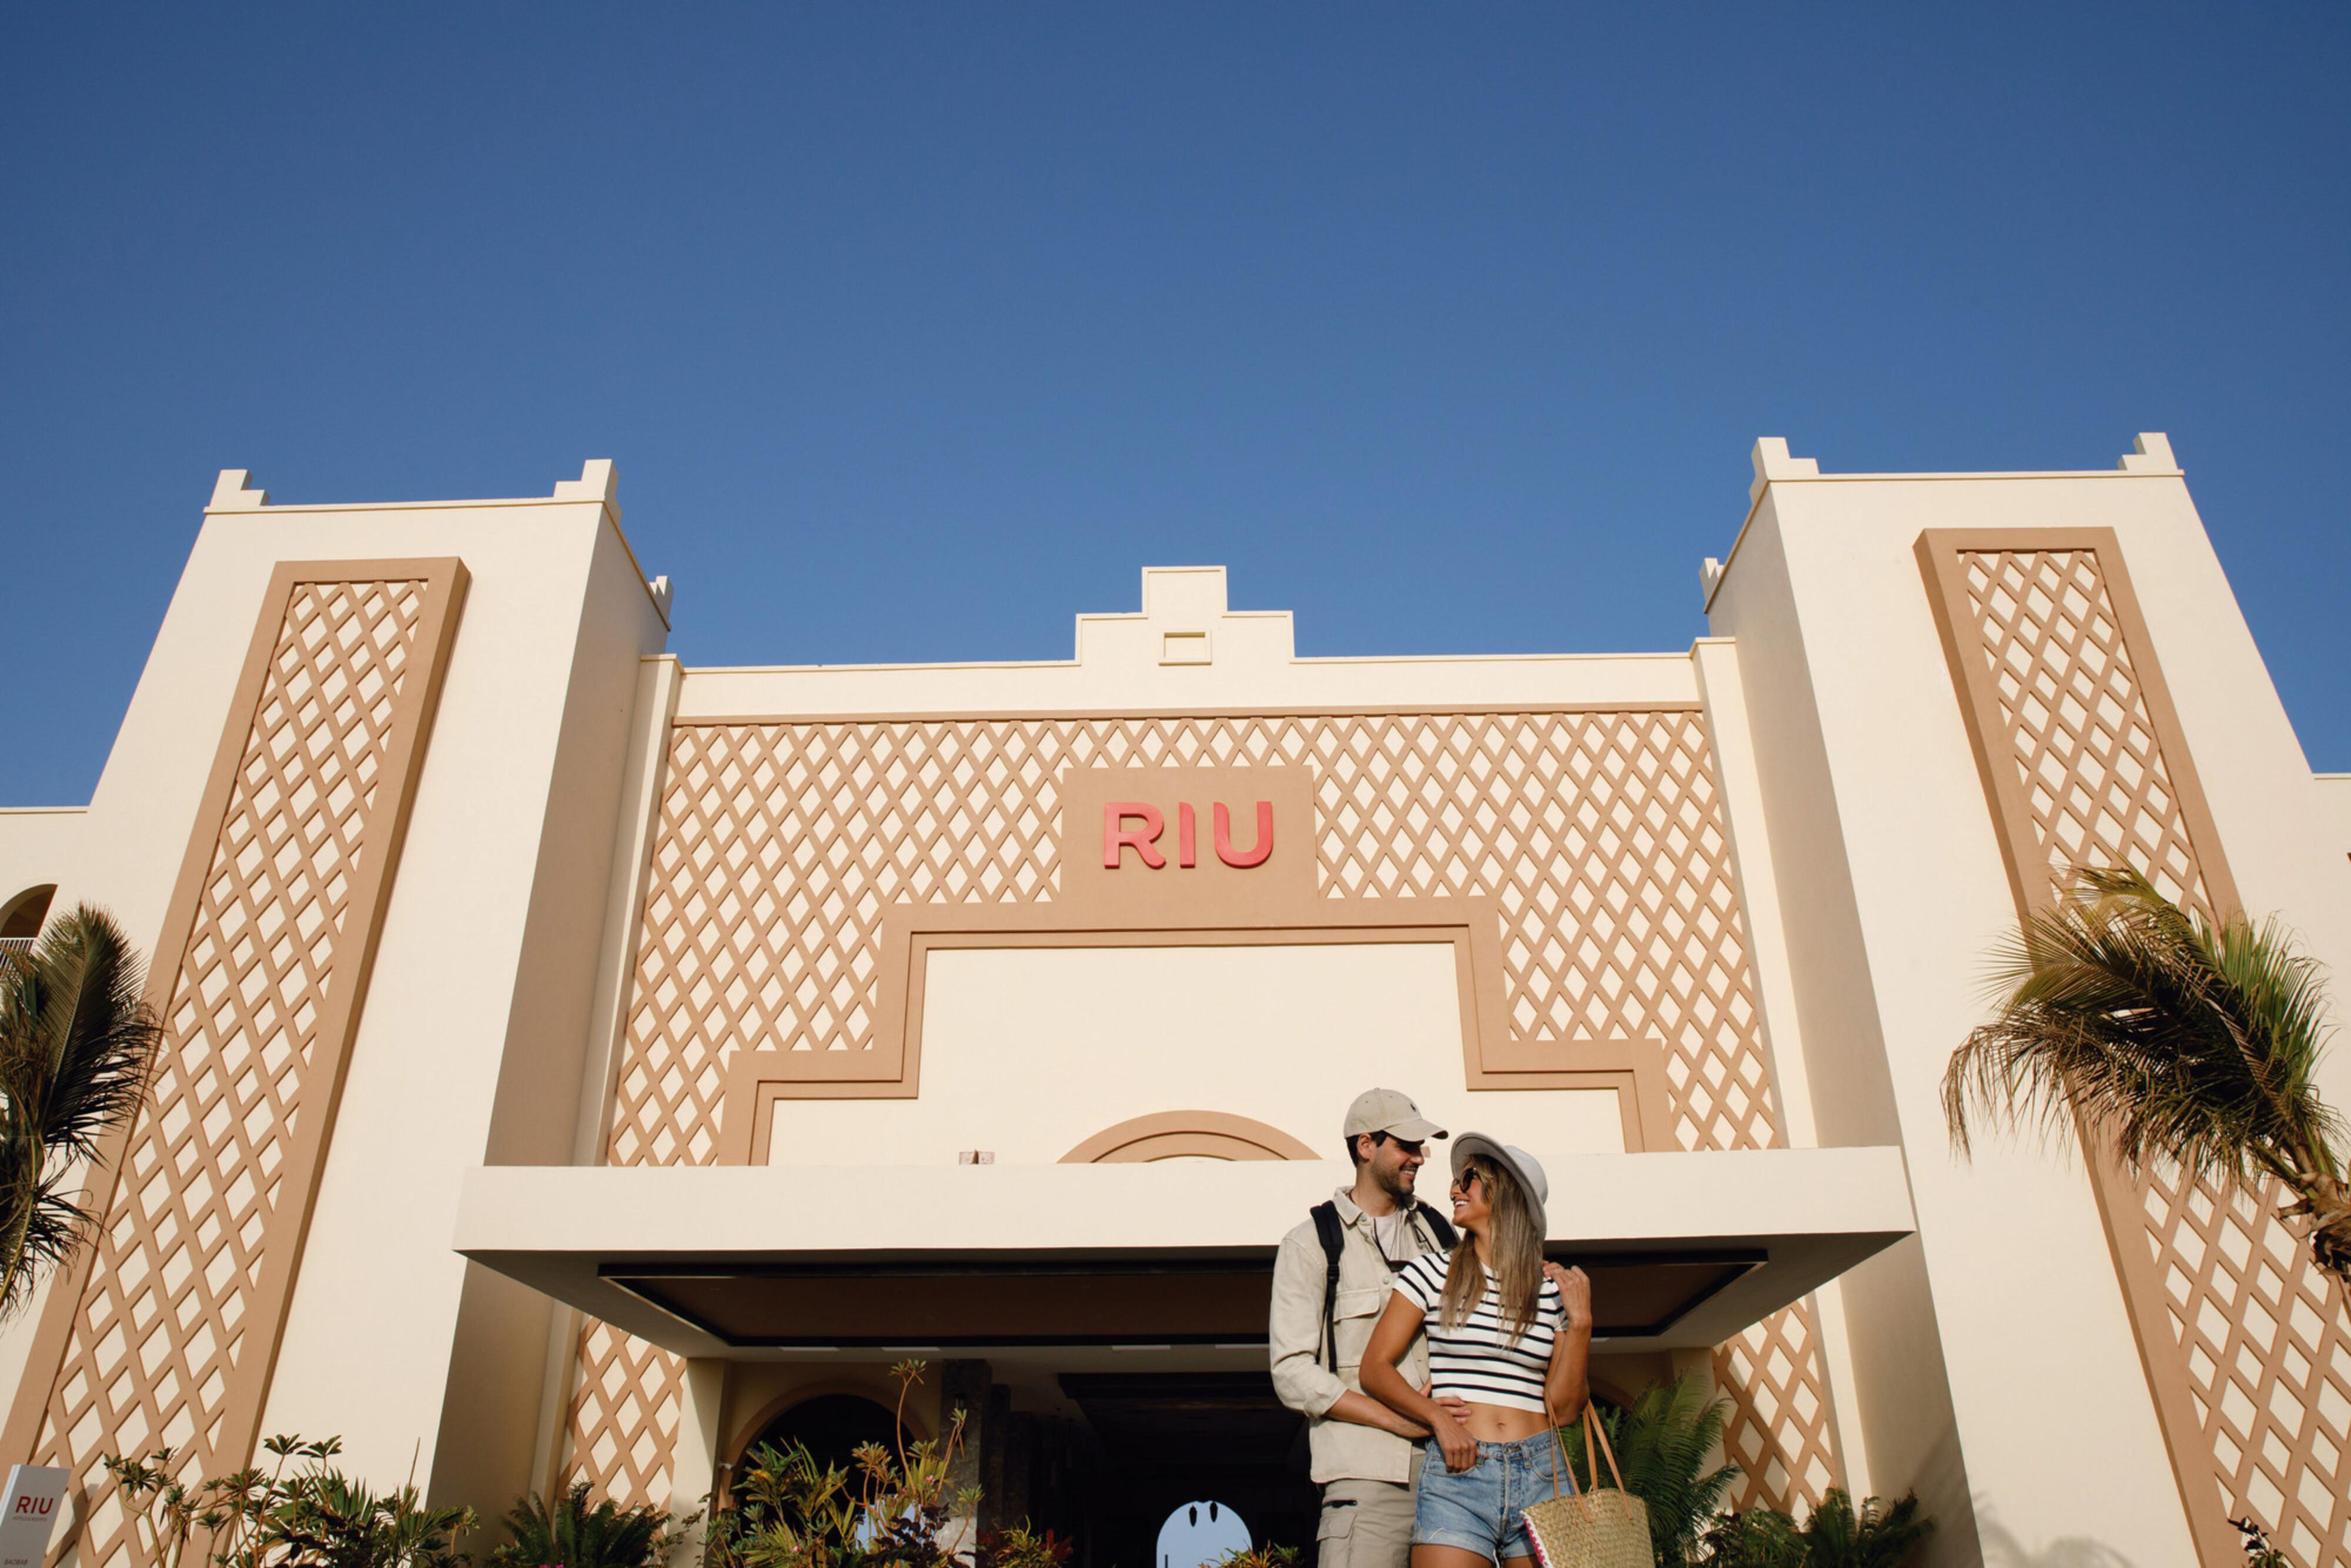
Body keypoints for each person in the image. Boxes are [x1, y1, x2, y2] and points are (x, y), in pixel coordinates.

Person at [1358, 1135, 1593, 1568]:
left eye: (1468, 1179)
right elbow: (1374, 1368)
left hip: (1544, 1474)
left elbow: (1562, 1410)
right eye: (1455, 1180)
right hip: (1458, 1473)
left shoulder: (1553, 1292)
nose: (1453, 1189)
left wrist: (1579, 1324)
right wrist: (1436, 1418)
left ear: (1507, 1195)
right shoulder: (1431, 1272)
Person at [1270, 1089, 1463, 1568]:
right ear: (1365, 1146)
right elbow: (1291, 1371)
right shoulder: (1309, 1243)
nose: (1419, 1158)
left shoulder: (1442, 1235)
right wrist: (1396, 1417)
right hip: (1365, 1479)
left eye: (1420, 1147)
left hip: (1456, 1474)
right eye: (1406, 1145)